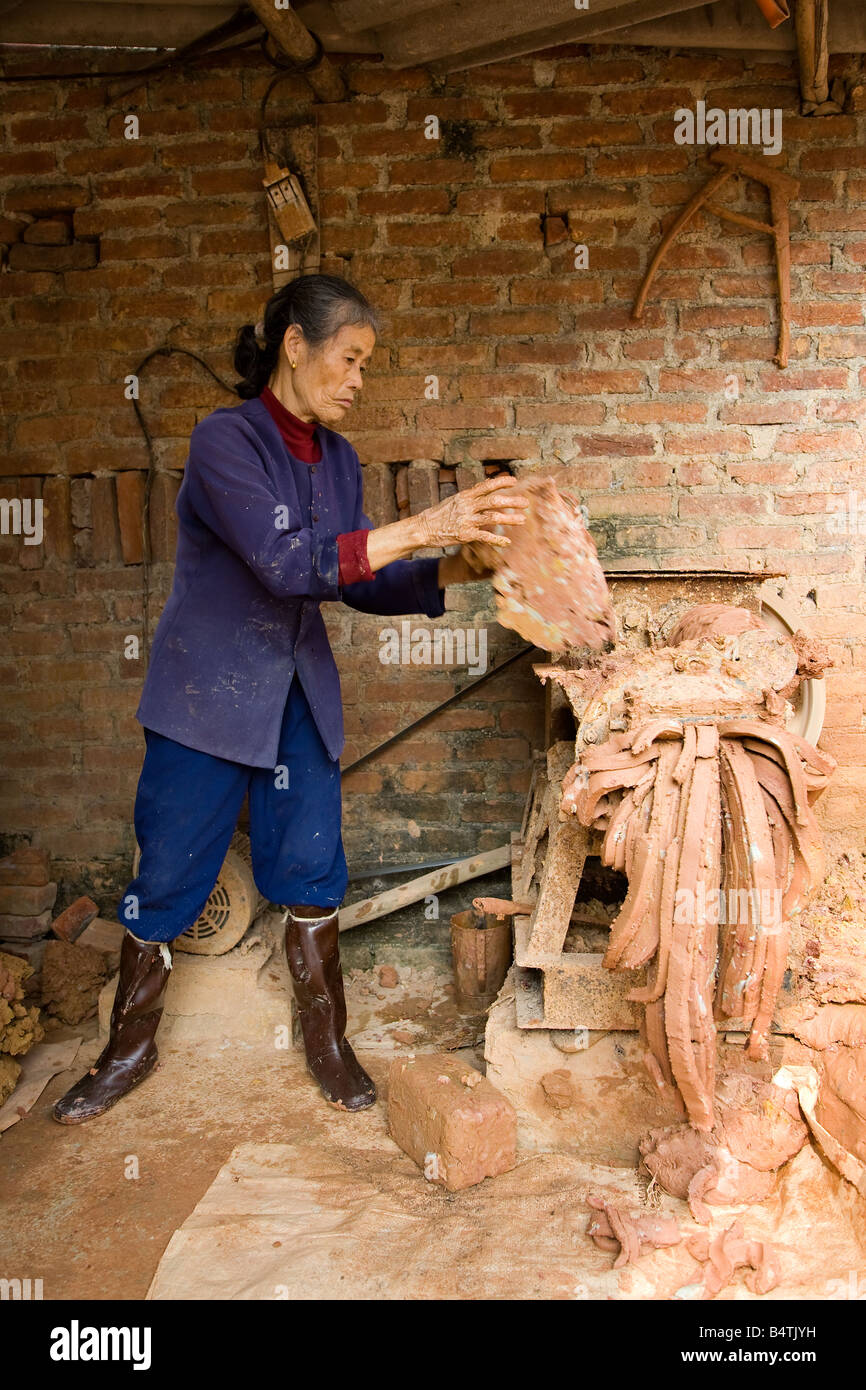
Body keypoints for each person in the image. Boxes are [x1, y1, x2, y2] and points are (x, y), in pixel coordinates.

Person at [53, 273, 529, 1123]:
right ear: (295, 346)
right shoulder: (224, 441)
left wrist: (454, 566)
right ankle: (126, 1049)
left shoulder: (338, 459)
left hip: (297, 692)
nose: (357, 380)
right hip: (207, 694)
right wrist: (425, 525)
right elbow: (287, 563)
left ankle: (327, 1042)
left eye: (367, 366)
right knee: (166, 874)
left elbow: (351, 577)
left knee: (312, 870)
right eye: (348, 359)